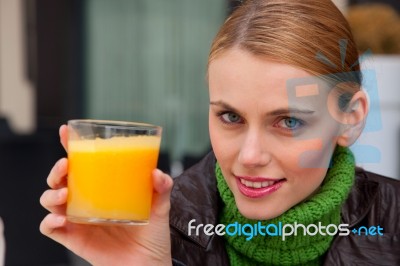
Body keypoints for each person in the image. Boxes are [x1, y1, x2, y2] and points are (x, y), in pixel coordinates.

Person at [40, 0, 400, 265]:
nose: (249, 156)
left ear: (350, 117)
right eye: (230, 117)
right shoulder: (162, 229)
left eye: (289, 122)